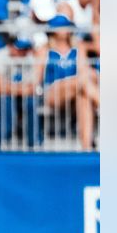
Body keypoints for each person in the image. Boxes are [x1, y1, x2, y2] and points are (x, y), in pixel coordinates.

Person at [38, 15, 98, 150]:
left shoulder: (78, 47)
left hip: (75, 90)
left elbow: (84, 71)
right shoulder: (45, 49)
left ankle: (86, 148)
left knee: (83, 97)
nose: (64, 29)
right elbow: (38, 78)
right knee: (84, 80)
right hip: (53, 92)